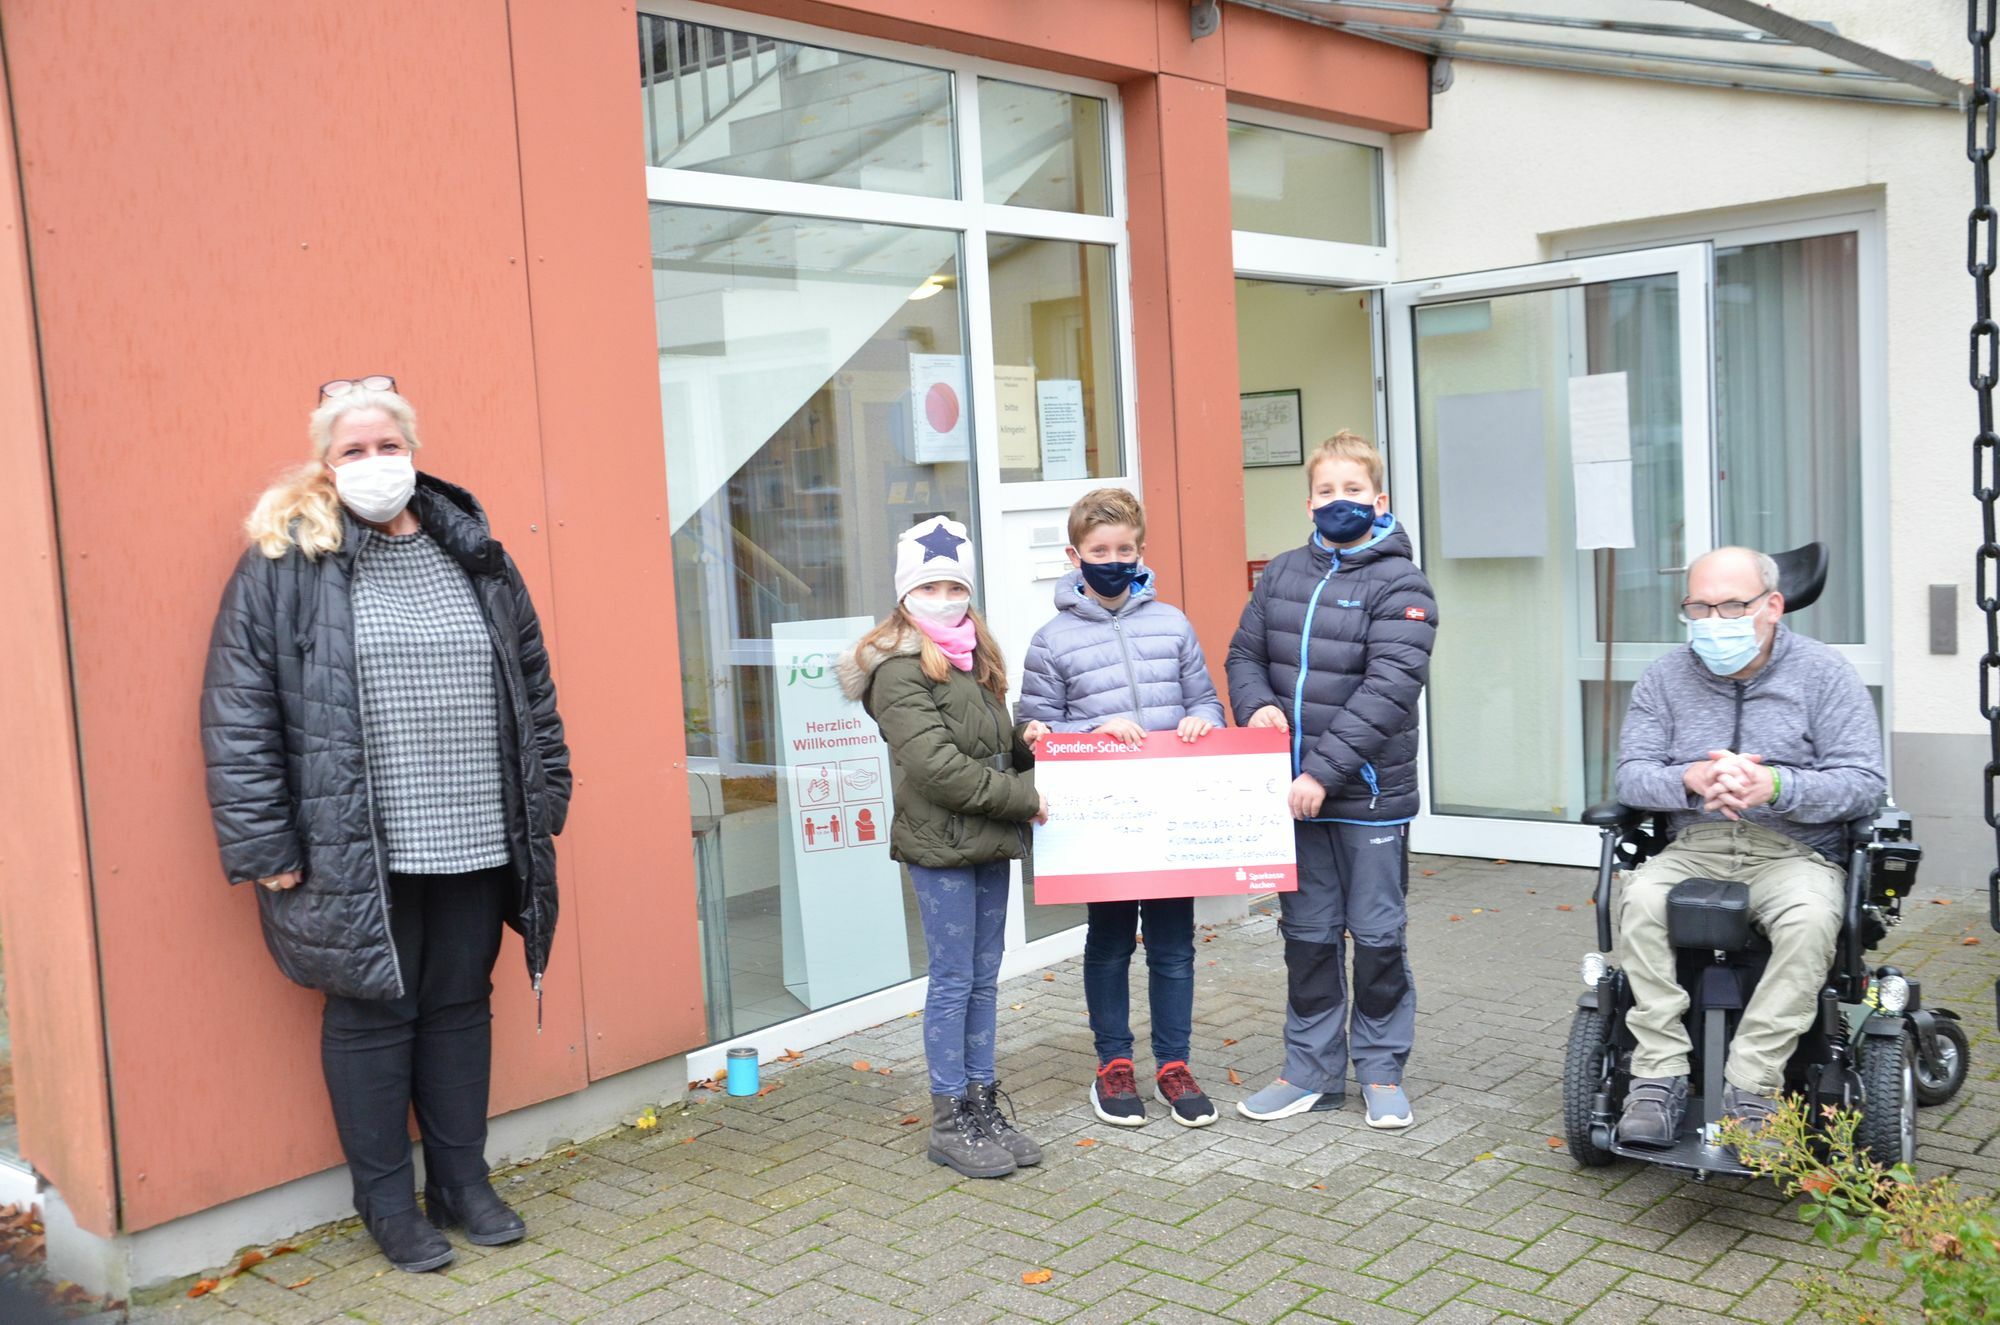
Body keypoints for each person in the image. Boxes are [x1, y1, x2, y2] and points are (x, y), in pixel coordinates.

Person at [201, 379, 570, 1273]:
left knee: (460, 1004)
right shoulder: (286, 562)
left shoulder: (472, 550)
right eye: (353, 450)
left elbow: (531, 681)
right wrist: (265, 843)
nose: (374, 463)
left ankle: (462, 1183)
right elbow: (238, 707)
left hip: (478, 829)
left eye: (387, 445)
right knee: (372, 1015)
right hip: (356, 843)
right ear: (325, 465)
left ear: (414, 451)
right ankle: (388, 1204)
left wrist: (546, 794)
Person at [1612, 546, 1885, 1155]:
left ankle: (1754, 1084)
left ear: (1773, 606)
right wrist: (1689, 779)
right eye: (1699, 607)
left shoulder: (1824, 673)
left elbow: (1865, 782)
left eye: (1732, 606)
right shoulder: (1664, 677)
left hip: (1793, 851)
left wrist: (1779, 786)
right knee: (1640, 898)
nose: (1715, 621)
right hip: (1697, 844)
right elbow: (1631, 776)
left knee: (1812, 919)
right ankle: (1658, 1074)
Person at [1225, 431, 1438, 1128]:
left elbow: (1390, 686)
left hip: (1367, 795)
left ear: (1378, 499)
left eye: (1353, 489)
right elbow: (1244, 653)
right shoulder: (1282, 574)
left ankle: (1380, 1070)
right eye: (1326, 490)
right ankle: (1309, 1070)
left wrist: (1321, 770)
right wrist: (1255, 706)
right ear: (1309, 500)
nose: (1338, 500)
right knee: (1308, 936)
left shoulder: (1403, 584)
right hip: (1293, 799)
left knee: (1377, 937)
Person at [837, 517, 1047, 1179]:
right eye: (930, 585)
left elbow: (991, 746)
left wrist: (1027, 747)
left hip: (988, 835)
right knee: (954, 979)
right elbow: (936, 768)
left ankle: (982, 1104)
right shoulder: (897, 670)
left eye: (955, 585)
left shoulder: (975, 657)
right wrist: (1026, 798)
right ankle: (950, 1120)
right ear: (906, 593)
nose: (944, 596)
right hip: (940, 842)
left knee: (985, 976)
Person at [1016, 487, 1226, 1128]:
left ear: (1141, 551)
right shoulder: (1050, 641)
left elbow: (1207, 702)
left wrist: (1201, 720)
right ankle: (1112, 1064)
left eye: (1124, 549)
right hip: (1100, 825)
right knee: (1108, 943)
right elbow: (1034, 733)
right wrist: (1093, 730)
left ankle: (1174, 1065)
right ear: (1074, 556)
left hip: (1168, 820)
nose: (1113, 560)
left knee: (1174, 946)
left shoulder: (1173, 624)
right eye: (1099, 550)